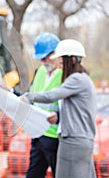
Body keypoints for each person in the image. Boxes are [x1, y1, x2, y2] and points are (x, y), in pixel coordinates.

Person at [22, 39, 96, 178]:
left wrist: (28, 96)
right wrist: (58, 117)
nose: (59, 65)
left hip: (73, 141)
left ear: (72, 59)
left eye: (62, 61)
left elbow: (51, 96)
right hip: (79, 139)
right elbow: (75, 110)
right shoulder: (82, 79)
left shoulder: (76, 79)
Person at [26, 32, 62, 178]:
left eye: (47, 56)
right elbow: (30, 96)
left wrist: (59, 117)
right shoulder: (39, 72)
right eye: (41, 58)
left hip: (55, 138)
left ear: (57, 54)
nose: (44, 61)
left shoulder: (66, 75)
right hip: (38, 135)